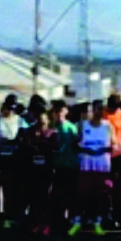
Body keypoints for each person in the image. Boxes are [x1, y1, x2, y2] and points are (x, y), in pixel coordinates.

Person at [69, 99, 113, 236]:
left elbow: (114, 145)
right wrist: (87, 150)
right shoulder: (82, 125)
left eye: (101, 109)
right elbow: (75, 145)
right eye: (97, 109)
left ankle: (97, 222)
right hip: (86, 165)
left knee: (100, 195)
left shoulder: (107, 126)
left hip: (102, 166)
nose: (99, 112)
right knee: (82, 194)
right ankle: (77, 222)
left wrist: (102, 150)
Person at [0, 93, 25, 227]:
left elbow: (23, 136)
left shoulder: (20, 121)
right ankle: (4, 213)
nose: (10, 111)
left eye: (13, 109)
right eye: (8, 108)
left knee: (15, 187)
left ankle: (13, 213)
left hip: (16, 157)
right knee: (4, 186)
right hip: (3, 157)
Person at [50, 99, 80, 233]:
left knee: (71, 194)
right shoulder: (51, 127)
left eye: (61, 111)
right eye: (56, 111)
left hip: (71, 165)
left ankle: (71, 220)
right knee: (57, 195)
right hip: (57, 166)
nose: (59, 114)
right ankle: (57, 220)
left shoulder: (72, 128)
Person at [104, 94, 121, 228]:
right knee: (108, 186)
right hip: (106, 155)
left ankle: (120, 214)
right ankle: (108, 214)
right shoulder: (104, 115)